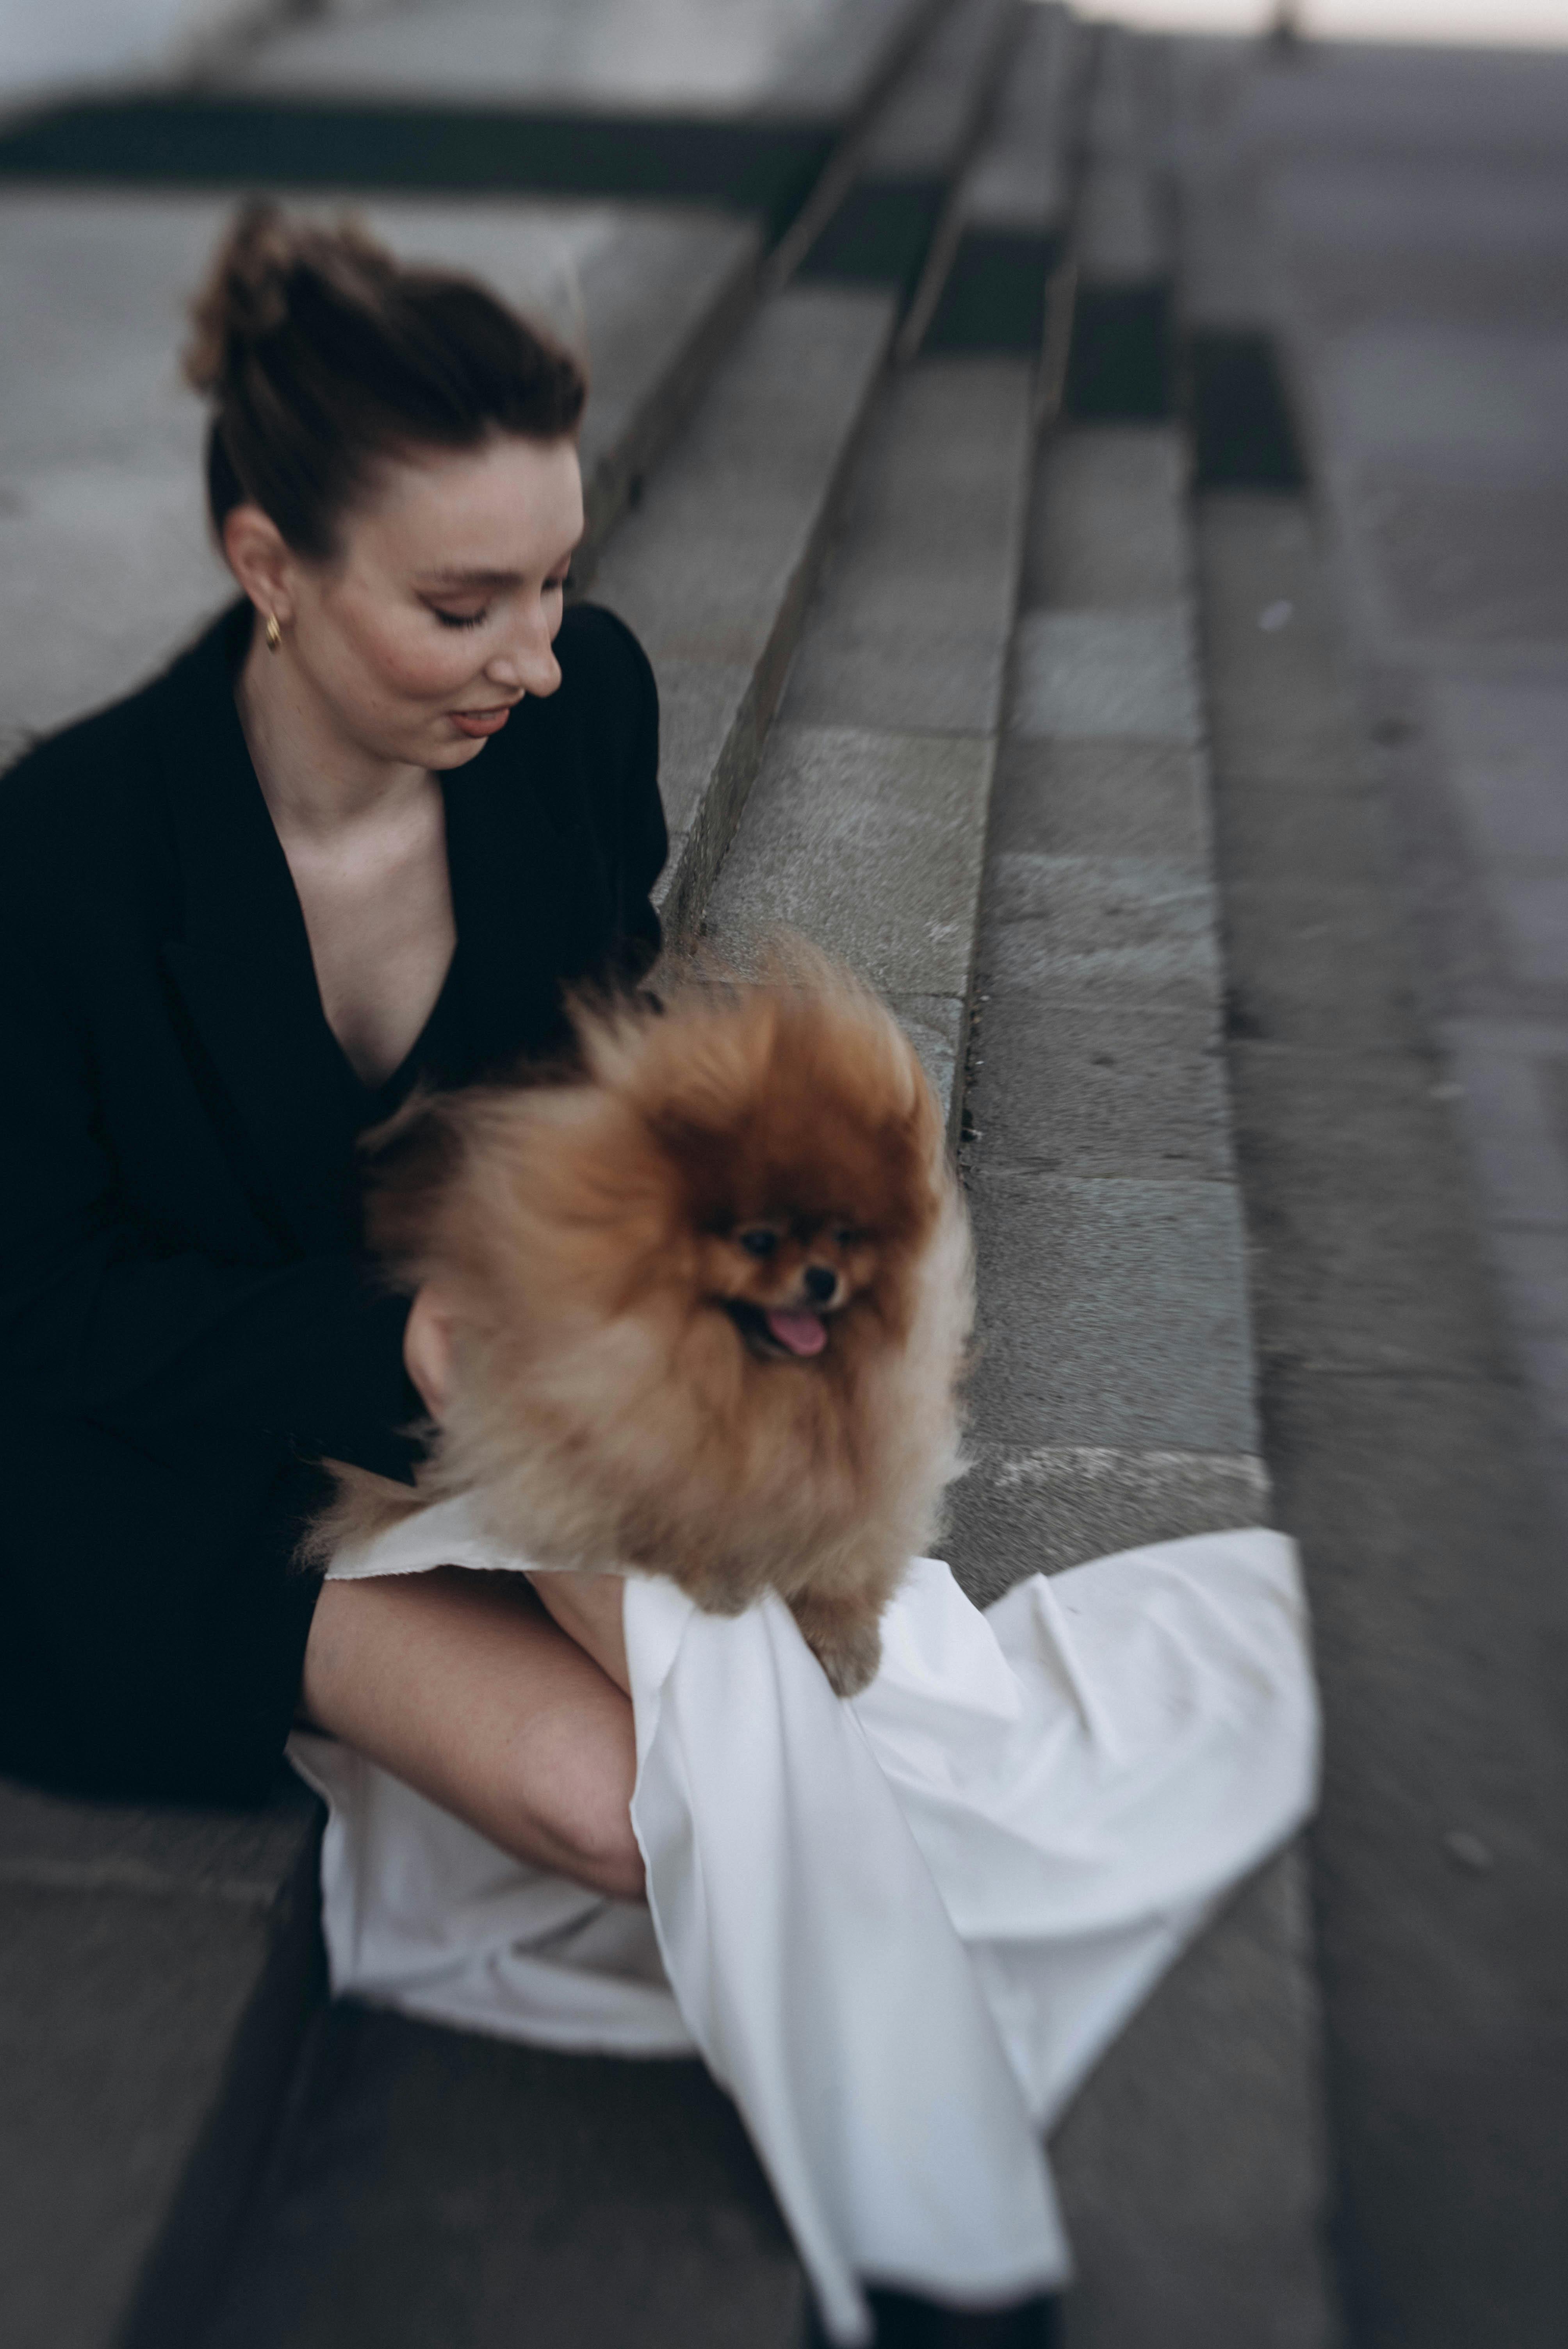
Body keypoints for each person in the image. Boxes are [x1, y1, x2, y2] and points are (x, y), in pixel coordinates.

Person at [0, 203, 654, 1899]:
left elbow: (604, 1028)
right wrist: (402, 1340)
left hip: (465, 1389)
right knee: (623, 1805)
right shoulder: (67, 853)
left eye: (558, 576)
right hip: (156, 1461)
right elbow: (44, 1309)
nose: (539, 653)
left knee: (760, 1727)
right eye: (463, 604)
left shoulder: (579, 714)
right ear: (270, 567)